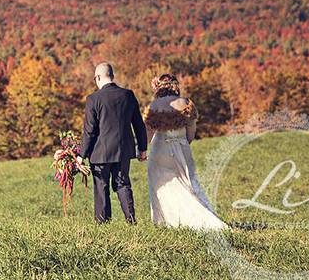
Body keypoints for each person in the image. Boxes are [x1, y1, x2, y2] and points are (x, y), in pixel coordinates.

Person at [145, 73, 228, 230]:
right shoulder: (186, 103)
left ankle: (167, 221)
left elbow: (148, 133)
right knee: (187, 184)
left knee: (161, 185)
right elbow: (191, 132)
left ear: (158, 88)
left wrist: (143, 149)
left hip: (160, 149)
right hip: (182, 148)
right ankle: (199, 218)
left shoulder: (154, 106)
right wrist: (182, 142)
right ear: (176, 86)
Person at [79, 62, 148, 224]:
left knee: (101, 188)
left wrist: (81, 155)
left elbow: (89, 131)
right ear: (112, 76)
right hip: (123, 150)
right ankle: (131, 220)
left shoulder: (93, 99)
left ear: (97, 77)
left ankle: (103, 224)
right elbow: (138, 124)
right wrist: (143, 148)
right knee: (123, 184)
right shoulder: (128, 95)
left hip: (100, 152)